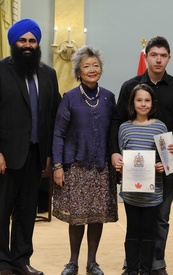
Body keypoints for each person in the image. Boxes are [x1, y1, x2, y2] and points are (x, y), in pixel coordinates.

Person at [111, 36, 173, 275]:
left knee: (161, 217)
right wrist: (115, 153)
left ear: (169, 58)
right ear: (146, 56)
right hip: (135, 166)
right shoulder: (130, 86)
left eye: (163, 55)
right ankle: (131, 264)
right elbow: (117, 121)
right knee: (135, 221)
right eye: (154, 55)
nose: (158, 59)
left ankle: (155, 264)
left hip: (163, 163)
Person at [0, 18, 61, 275]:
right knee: (2, 210)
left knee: (27, 211)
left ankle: (21, 260)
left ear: (38, 44)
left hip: (36, 155)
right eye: (22, 40)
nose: (27, 45)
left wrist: (50, 153)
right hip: (6, 156)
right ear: (13, 42)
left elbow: (55, 115)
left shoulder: (48, 74)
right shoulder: (1, 71)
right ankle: (2, 262)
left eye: (32, 41)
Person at [52, 45, 118, 275]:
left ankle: (92, 262)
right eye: (87, 66)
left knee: (97, 217)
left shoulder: (109, 97)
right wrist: (58, 166)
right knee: (77, 218)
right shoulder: (69, 98)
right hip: (76, 167)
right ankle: (72, 262)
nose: (92, 69)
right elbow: (58, 133)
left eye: (96, 65)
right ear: (78, 71)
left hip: (101, 167)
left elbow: (114, 132)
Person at [117, 83, 167, 275]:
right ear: (133, 102)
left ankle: (145, 270)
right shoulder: (124, 128)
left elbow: (168, 162)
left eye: (147, 100)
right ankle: (131, 270)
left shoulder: (160, 127)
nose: (143, 104)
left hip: (152, 193)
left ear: (153, 103)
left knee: (148, 232)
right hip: (131, 193)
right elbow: (122, 155)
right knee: (132, 231)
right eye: (139, 100)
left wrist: (163, 166)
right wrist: (121, 165)